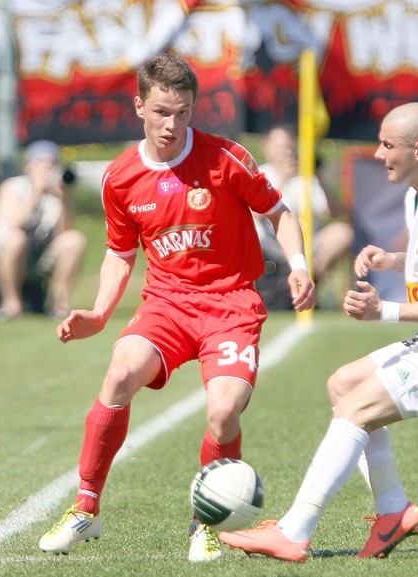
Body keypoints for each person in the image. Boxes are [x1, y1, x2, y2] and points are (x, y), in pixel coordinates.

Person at [38, 54, 316, 561]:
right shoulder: (120, 177)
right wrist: (99, 315)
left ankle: (206, 521)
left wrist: (298, 264)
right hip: (167, 304)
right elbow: (120, 255)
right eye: (162, 111)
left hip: (231, 303)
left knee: (225, 409)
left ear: (193, 108)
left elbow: (280, 212)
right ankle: (85, 508)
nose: (172, 124)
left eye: (183, 112)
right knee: (120, 374)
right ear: (140, 104)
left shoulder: (226, 158)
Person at [218, 102, 418, 562]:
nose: (378, 154)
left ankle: (294, 531)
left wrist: (384, 312)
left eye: (387, 145)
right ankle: (393, 511)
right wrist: (393, 261)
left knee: (356, 409)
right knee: (344, 384)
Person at [0, 140, 87, 319]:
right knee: (16, 238)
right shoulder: (12, 186)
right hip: (8, 256)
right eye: (41, 163)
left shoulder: (58, 191)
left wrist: (63, 199)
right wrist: (35, 194)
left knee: (75, 239)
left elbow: (64, 234)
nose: (47, 168)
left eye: (52, 164)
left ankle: (59, 304)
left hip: (41, 257)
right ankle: (11, 304)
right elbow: (13, 224)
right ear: (28, 166)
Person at [254, 124, 353, 302]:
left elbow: (332, 212)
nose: (284, 152)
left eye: (287, 146)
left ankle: (311, 282)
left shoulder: (305, 177)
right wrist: (283, 179)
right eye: (278, 146)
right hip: (270, 246)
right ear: (266, 147)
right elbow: (255, 215)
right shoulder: (260, 174)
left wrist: (318, 176)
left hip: (308, 245)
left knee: (342, 232)